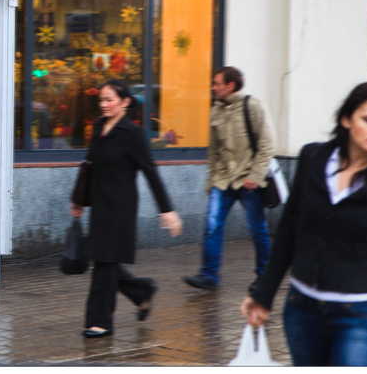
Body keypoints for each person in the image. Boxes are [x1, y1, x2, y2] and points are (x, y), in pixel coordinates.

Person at [240, 82, 367, 366]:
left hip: (361, 315)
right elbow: (289, 231)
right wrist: (263, 294)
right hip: (302, 309)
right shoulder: (313, 157)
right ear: (347, 119)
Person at [71, 79, 182, 338]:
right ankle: (141, 291)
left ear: (125, 102)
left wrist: (167, 210)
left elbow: (150, 171)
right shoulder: (98, 126)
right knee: (104, 261)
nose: (104, 104)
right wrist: (78, 200)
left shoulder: (132, 134)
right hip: (99, 205)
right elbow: (90, 164)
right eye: (102, 100)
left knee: (104, 265)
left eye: (110, 99)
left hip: (121, 208)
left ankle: (101, 322)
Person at [183, 66, 274, 292]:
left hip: (248, 181)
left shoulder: (252, 107)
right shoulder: (215, 111)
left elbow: (266, 145)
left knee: (257, 229)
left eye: (216, 83)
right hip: (222, 181)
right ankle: (209, 276)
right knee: (212, 226)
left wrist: (255, 176)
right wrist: (210, 181)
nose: (213, 88)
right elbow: (213, 151)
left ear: (229, 86)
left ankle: (265, 276)